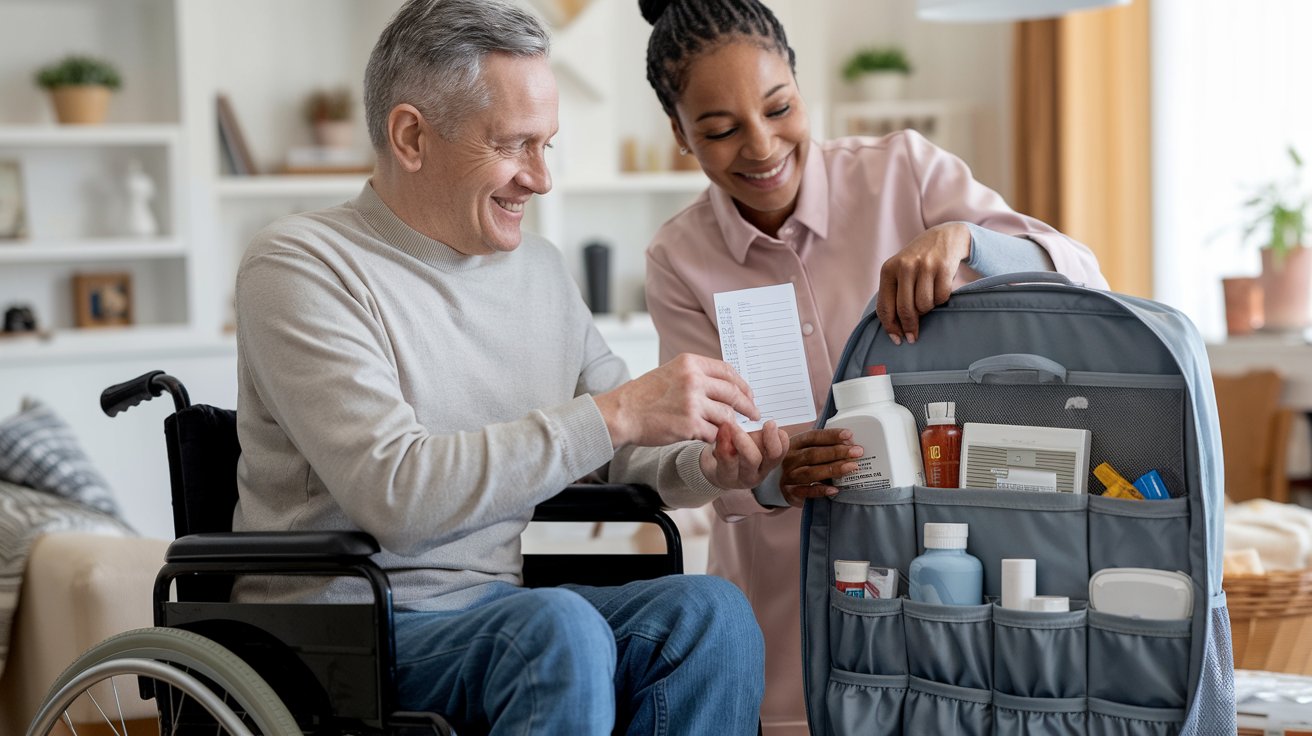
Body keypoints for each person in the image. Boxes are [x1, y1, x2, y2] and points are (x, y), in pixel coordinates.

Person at [231, 0, 790, 732]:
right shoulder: (301, 265)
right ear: (410, 137)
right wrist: (616, 411)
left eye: (546, 146)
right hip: (343, 630)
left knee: (708, 612)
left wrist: (708, 468)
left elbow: (615, 448)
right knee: (556, 630)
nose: (540, 179)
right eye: (514, 145)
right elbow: (395, 495)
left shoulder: (540, 271)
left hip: (499, 618)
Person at [638, 0, 1108, 732]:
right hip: (783, 626)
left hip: (940, 602)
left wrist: (967, 242)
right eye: (721, 130)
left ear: (799, 82)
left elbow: (1080, 275)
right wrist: (772, 475)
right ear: (679, 133)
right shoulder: (678, 259)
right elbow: (698, 452)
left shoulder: (904, 173)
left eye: (779, 108)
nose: (761, 148)